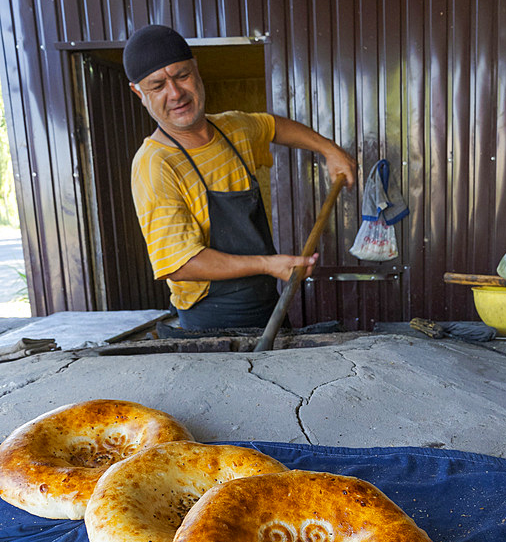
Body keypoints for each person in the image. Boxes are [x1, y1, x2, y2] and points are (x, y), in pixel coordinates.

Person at [124, 24, 356, 330]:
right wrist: (267, 265)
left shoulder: (232, 129)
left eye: (182, 75)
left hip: (267, 307)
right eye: (157, 86)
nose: (176, 93)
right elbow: (180, 264)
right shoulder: (155, 164)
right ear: (139, 93)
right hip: (212, 324)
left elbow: (273, 126)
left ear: (196, 70)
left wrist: (329, 150)